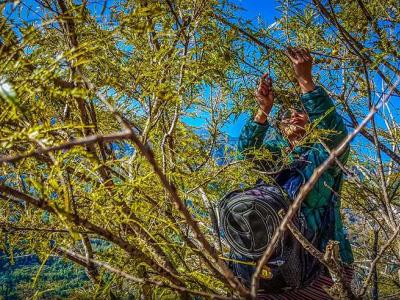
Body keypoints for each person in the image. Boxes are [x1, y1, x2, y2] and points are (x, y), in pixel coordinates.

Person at [229, 47, 354, 292]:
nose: (294, 116)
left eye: (301, 112)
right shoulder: (275, 157)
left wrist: (305, 80)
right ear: (279, 125)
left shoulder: (323, 154)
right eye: (287, 114)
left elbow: (335, 133)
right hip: (272, 263)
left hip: (319, 266)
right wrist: (263, 109)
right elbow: (246, 153)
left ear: (311, 121)